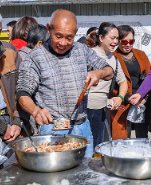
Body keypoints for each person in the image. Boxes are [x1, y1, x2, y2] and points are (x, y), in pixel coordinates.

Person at [17, 9, 114, 158]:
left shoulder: (82, 50)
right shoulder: (34, 58)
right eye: (58, 36)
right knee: (56, 178)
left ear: (75, 33)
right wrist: (36, 111)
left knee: (84, 174)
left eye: (69, 38)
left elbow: (109, 71)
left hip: (82, 127)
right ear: (49, 29)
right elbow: (23, 93)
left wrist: (99, 73)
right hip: (52, 129)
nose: (63, 43)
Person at [85, 22, 128, 149]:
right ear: (101, 38)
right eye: (112, 38)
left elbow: (123, 81)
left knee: (97, 145)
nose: (115, 41)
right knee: (84, 145)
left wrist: (120, 97)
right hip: (84, 109)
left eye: (117, 38)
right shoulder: (88, 54)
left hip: (101, 109)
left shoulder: (113, 59)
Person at [110, 25, 151, 140]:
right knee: (122, 136)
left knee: (142, 135)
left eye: (131, 41)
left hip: (141, 100)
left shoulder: (141, 54)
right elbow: (111, 84)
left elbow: (149, 78)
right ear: (117, 41)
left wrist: (144, 98)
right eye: (124, 41)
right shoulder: (112, 57)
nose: (128, 44)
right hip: (122, 100)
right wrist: (126, 97)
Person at [18, 24, 49, 136]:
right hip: (26, 120)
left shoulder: (19, 55)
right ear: (39, 44)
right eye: (48, 45)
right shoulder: (27, 61)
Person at [0, 15, 22, 156]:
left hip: (11, 123)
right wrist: (2, 128)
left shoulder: (10, 50)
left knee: (13, 173)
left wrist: (17, 121)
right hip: (4, 127)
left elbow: (22, 89)